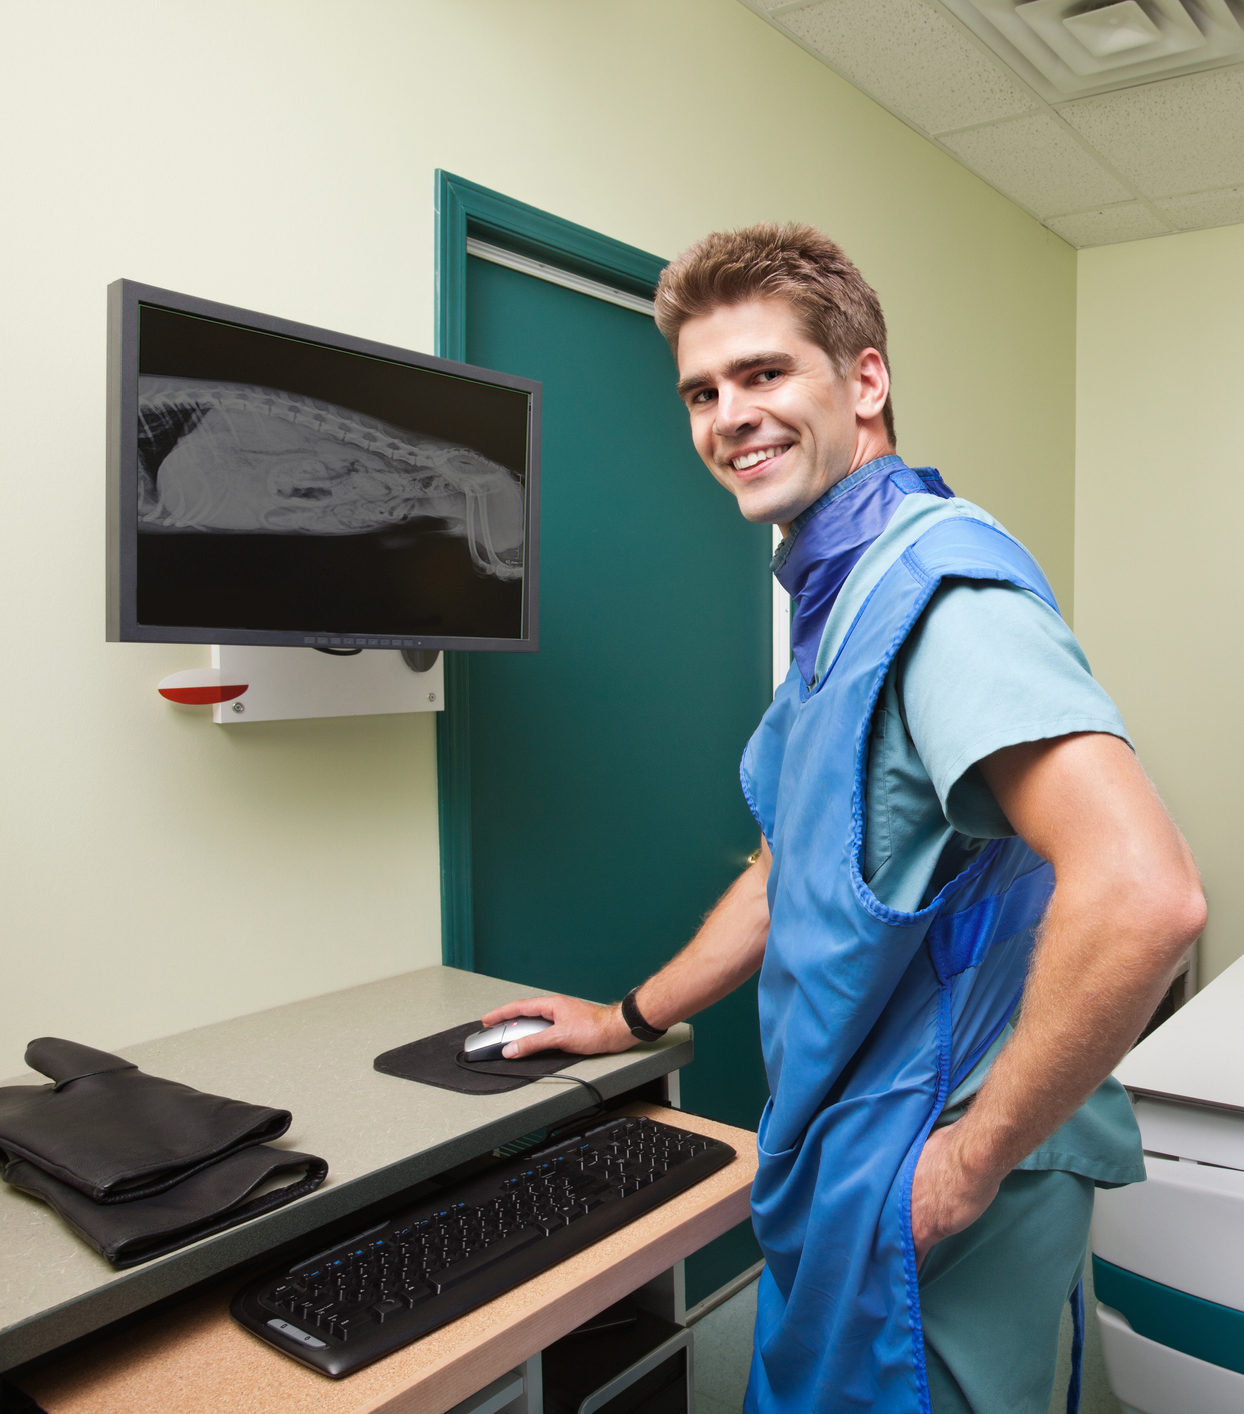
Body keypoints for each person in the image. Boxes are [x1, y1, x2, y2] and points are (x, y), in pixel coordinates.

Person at [481, 224, 1206, 1413]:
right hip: (844, 1150)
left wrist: (966, 1166)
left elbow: (1143, 894)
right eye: (702, 391)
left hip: (930, 1166)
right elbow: (791, 872)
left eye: (765, 374)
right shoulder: (841, 603)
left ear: (863, 381)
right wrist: (624, 1018)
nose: (728, 417)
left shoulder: (940, 592)